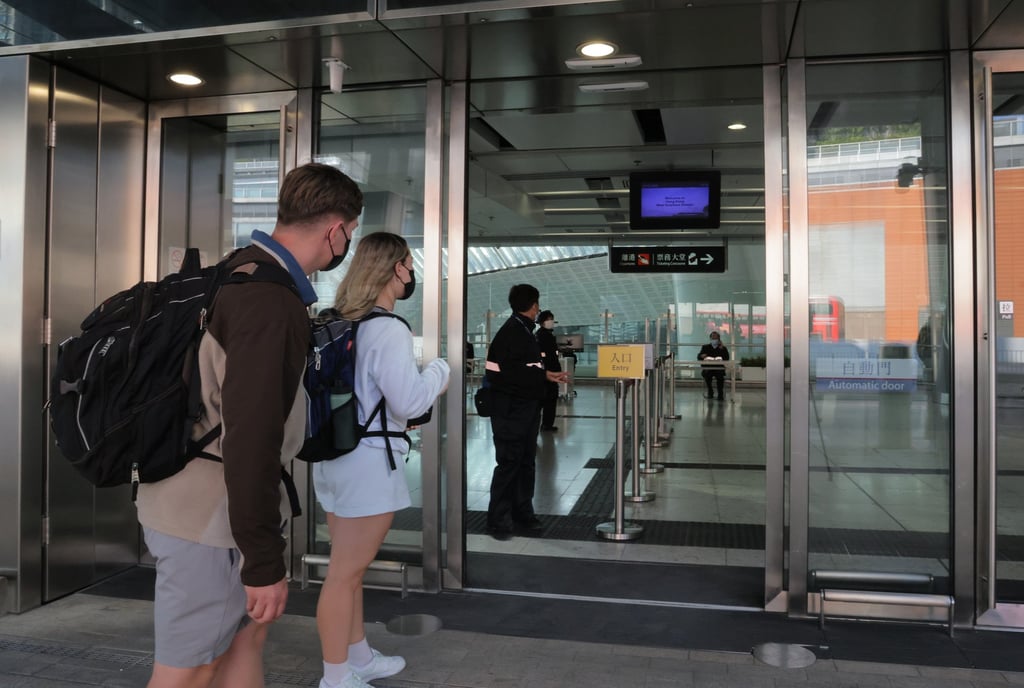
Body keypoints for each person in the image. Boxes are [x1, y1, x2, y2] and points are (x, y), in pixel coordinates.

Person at [135, 162, 362, 688]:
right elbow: (252, 436)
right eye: (348, 233)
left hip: (204, 501)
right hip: (208, 518)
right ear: (334, 230)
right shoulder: (269, 300)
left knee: (244, 643)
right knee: (188, 671)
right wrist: (262, 560)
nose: (344, 243)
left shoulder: (239, 270)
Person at [312, 232, 450, 688]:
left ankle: (359, 657)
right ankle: (335, 677)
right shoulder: (388, 328)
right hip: (368, 462)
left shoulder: (340, 322)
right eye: (409, 265)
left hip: (334, 458)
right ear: (394, 269)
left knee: (347, 570)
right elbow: (409, 403)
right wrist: (439, 372)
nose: (412, 274)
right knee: (344, 574)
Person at [484, 285, 568, 540]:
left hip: (525, 409)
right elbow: (501, 372)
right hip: (511, 412)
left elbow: (521, 368)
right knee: (510, 463)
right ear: (532, 306)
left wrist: (543, 375)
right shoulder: (512, 332)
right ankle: (498, 519)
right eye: (537, 304)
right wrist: (539, 375)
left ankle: (522, 512)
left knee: (525, 463)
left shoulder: (522, 331)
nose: (539, 308)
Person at [535, 310, 562, 431]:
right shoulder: (541, 335)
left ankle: (547, 423)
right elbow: (545, 356)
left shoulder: (547, 334)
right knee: (548, 398)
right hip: (547, 371)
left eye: (552, 319)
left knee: (549, 398)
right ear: (542, 321)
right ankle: (546, 424)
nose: (551, 321)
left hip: (549, 370)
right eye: (548, 319)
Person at [697, 331, 730, 400]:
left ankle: (720, 393)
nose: (714, 340)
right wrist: (702, 356)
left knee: (720, 376)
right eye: (713, 338)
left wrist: (722, 350)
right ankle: (710, 391)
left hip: (719, 368)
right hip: (708, 368)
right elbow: (699, 357)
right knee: (707, 375)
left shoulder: (722, 348)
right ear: (710, 339)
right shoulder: (705, 347)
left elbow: (727, 358)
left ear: (718, 339)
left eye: (716, 338)